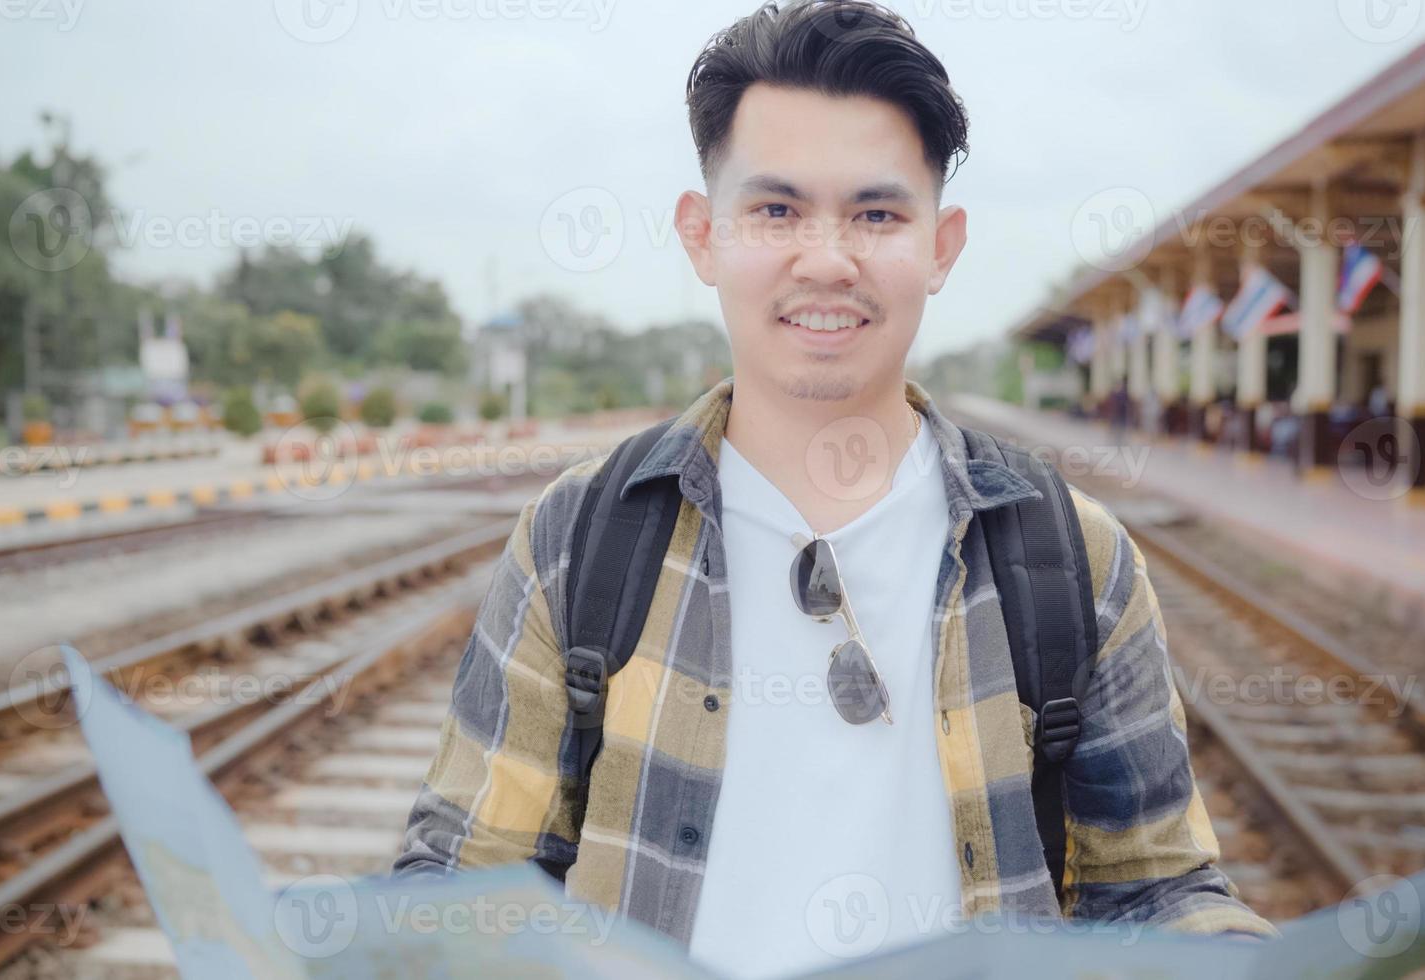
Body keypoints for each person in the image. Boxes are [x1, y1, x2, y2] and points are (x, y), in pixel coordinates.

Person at [392, 1, 1274, 975]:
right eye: (775, 210)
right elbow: (464, 873)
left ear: (940, 245)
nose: (826, 258)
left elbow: (1152, 886)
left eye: (876, 214)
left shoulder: (1073, 559)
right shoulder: (580, 536)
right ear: (702, 234)